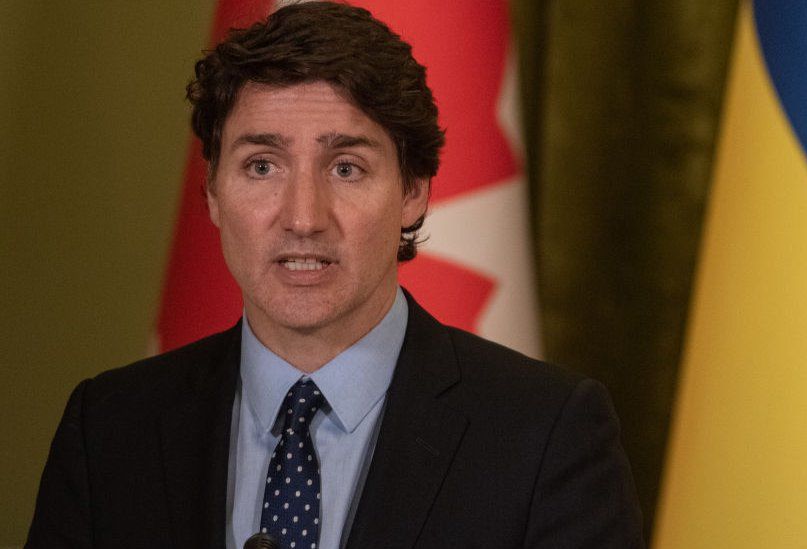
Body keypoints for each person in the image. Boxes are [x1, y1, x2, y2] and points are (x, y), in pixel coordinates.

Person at [27, 2, 643, 548]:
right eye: (262, 165)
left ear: (413, 191)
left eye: (346, 168)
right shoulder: (108, 428)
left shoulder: (545, 435)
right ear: (213, 192)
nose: (302, 217)